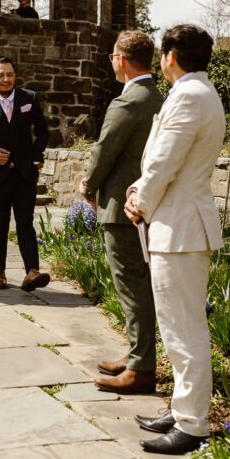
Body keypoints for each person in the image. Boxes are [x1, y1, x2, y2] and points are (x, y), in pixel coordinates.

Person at [124, 24, 226, 455]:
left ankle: (192, 425)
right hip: (181, 224)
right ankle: (183, 407)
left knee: (184, 330)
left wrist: (140, 200)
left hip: (180, 227)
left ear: (169, 56)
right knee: (177, 327)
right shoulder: (201, 92)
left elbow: (166, 160)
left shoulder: (188, 96)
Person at [79, 31, 164, 394]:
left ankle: (141, 368)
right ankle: (135, 356)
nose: (111, 61)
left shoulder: (128, 102)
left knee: (131, 285)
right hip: (152, 202)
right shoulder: (159, 98)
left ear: (123, 60)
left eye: (113, 55)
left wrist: (87, 185)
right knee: (141, 283)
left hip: (120, 207)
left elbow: (104, 151)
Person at [0, 58, 50, 291]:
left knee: (25, 222)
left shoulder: (29, 98)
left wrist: (37, 156)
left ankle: (32, 271)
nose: (6, 79)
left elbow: (43, 132)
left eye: (10, 75)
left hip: (25, 173)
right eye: (1, 75)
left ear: (15, 76)